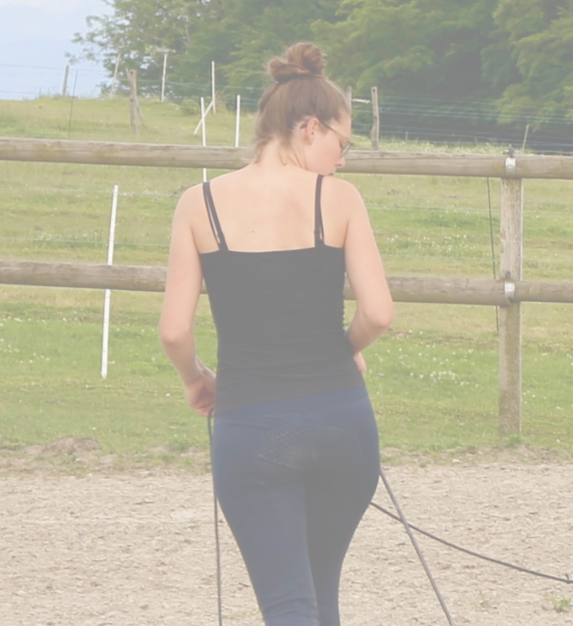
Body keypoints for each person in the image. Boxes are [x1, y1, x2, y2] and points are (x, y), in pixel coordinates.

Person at [157, 41, 394, 626]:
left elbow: (173, 331)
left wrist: (196, 379)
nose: (343, 160)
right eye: (343, 143)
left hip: (250, 422)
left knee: (289, 606)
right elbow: (379, 313)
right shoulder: (338, 200)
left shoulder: (199, 203)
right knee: (321, 594)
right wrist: (345, 350)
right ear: (310, 129)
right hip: (344, 421)